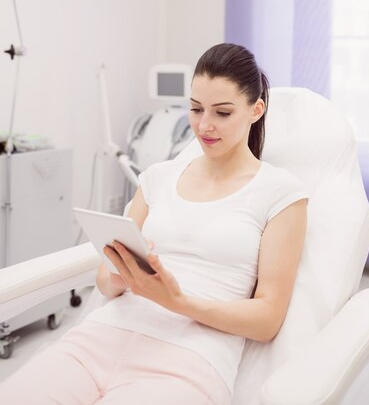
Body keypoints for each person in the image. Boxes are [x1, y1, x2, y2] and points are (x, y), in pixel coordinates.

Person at [0, 43, 308, 405]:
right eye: (195, 109)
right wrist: (120, 274)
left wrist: (178, 301)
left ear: (256, 110)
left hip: (189, 361)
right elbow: (104, 278)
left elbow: (268, 317)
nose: (204, 125)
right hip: (100, 337)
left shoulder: (280, 193)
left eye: (222, 113)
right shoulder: (157, 177)